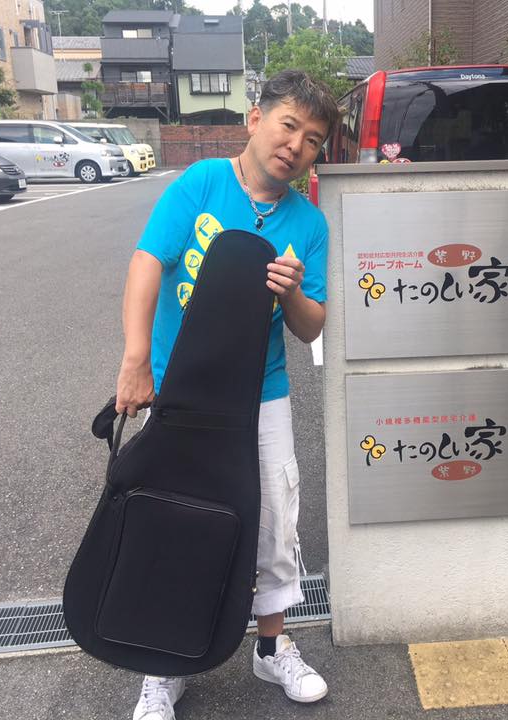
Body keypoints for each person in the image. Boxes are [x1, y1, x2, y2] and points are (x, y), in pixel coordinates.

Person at [114, 70, 340, 719]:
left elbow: (311, 326)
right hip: (180, 389)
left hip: (261, 392)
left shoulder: (309, 223)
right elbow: (147, 261)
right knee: (174, 521)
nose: (296, 146)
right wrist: (135, 359)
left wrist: (291, 292)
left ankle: (271, 648)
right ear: (255, 118)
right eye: (289, 125)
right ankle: (166, 664)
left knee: (273, 521)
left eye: (313, 139)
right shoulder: (202, 183)